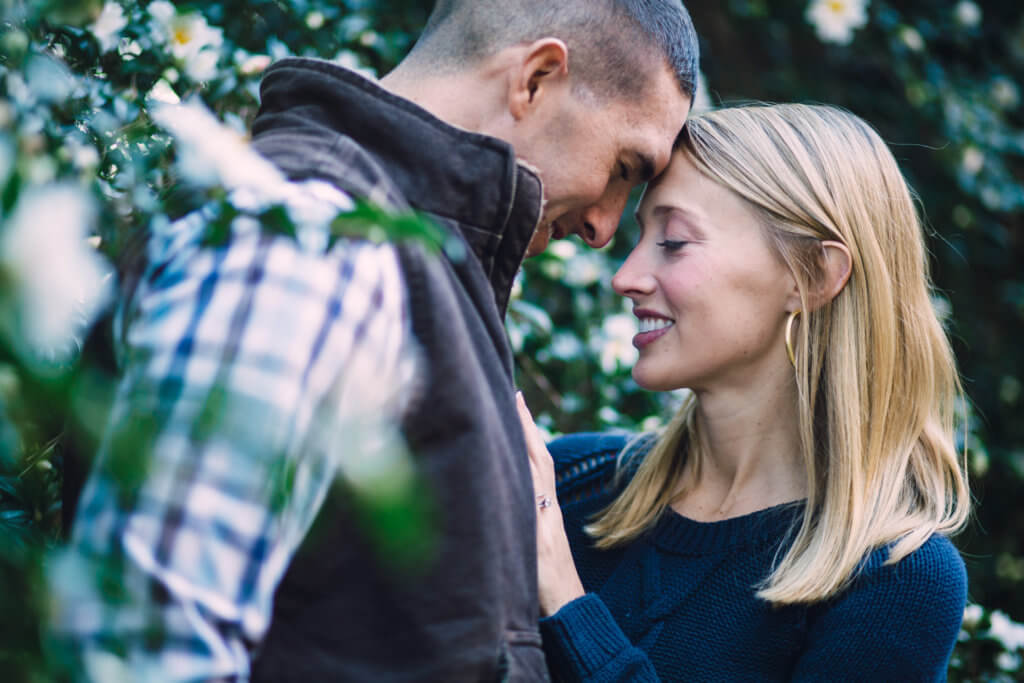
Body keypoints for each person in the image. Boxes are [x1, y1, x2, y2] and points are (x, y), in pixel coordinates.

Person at [54, 1, 699, 681]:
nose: (605, 227)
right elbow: (145, 648)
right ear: (535, 79)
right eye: (625, 167)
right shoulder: (307, 245)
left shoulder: (393, 257)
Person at [517, 103, 970, 681]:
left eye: (674, 241)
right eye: (641, 234)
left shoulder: (896, 580)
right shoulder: (569, 481)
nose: (625, 276)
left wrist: (566, 605)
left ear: (811, 276)